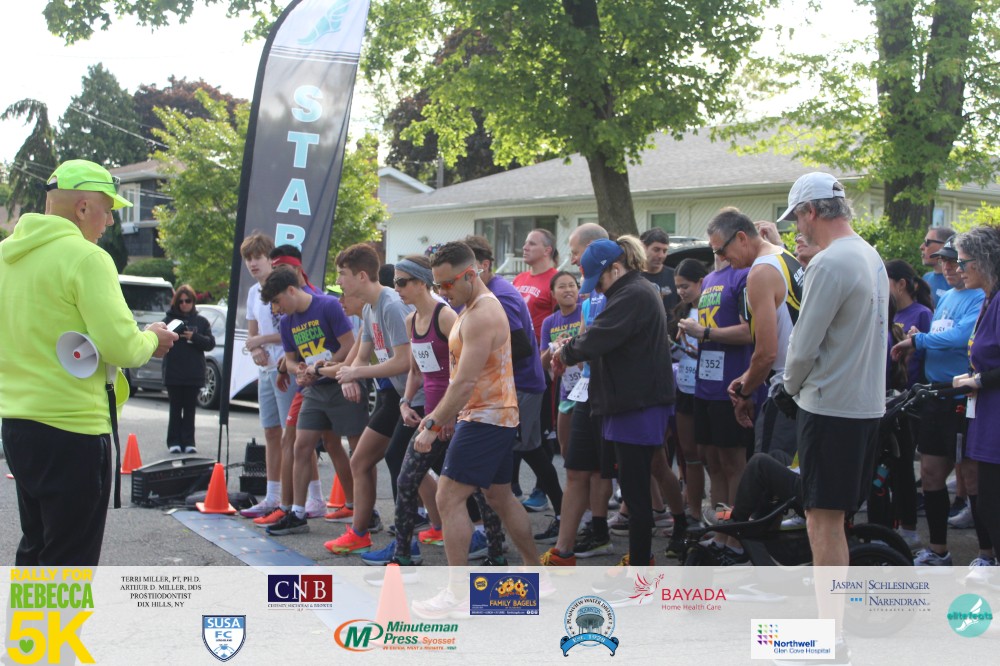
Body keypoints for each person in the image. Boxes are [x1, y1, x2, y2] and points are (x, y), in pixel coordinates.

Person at [0, 159, 177, 565]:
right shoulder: (87, 258)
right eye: (107, 209)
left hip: (17, 425)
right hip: (73, 428)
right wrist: (152, 338)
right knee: (69, 558)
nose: (110, 221)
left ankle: (27, 613)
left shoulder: (6, 257)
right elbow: (122, 347)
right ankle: (54, 614)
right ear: (82, 208)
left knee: (36, 546)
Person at [775, 172, 888, 663]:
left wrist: (787, 387)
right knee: (834, 520)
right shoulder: (869, 254)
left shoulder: (829, 261)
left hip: (829, 405)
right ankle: (832, 627)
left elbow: (803, 346)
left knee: (821, 522)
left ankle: (829, 636)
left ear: (812, 211)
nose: (797, 229)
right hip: (864, 404)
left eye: (797, 218)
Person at [553, 237, 677, 566]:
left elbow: (600, 336)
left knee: (636, 492)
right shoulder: (631, 290)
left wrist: (565, 352)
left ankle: (641, 567)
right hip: (631, 401)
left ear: (616, 268)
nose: (598, 289)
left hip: (637, 403)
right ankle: (641, 560)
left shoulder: (632, 293)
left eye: (600, 281)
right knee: (635, 486)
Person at [417, 241, 537, 567]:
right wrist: (449, 414)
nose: (442, 292)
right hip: (489, 414)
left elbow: (465, 381)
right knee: (499, 496)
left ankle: (456, 589)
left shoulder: (482, 314)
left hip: (487, 416)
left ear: (471, 274)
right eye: (437, 286)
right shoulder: (469, 308)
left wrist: (433, 423)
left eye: (447, 284)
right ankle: (537, 571)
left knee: (447, 497)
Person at [890, 240, 984, 564]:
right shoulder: (946, 298)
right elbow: (937, 337)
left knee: (970, 477)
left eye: (955, 261)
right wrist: (919, 338)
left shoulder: (979, 297)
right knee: (930, 473)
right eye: (944, 261)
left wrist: (919, 339)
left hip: (962, 397)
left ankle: (986, 554)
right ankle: (938, 550)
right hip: (934, 395)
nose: (948, 267)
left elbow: (961, 338)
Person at [328, 244, 424, 554]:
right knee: (362, 460)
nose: (338, 282)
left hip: (422, 396)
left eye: (342, 274)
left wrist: (356, 373)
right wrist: (350, 376)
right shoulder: (370, 308)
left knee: (407, 463)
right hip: (400, 396)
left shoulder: (392, 305)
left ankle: (411, 539)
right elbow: (362, 355)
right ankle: (360, 533)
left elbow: (404, 362)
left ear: (361, 276)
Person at [361, 256, 457, 566]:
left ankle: (489, 543)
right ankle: (405, 549)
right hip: (426, 412)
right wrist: (405, 402)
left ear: (422, 283)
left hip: (451, 413)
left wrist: (450, 414)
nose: (397, 288)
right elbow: (416, 371)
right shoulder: (411, 320)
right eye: (395, 282)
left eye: (402, 282)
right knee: (405, 473)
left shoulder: (446, 316)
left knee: (477, 487)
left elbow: (462, 371)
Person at [260, 266, 367, 536]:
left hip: (342, 383)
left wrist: (320, 368)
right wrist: (299, 370)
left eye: (277, 301)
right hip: (313, 390)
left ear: (291, 290)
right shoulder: (287, 322)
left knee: (357, 450)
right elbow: (290, 359)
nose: (276, 309)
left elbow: (348, 345)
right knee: (301, 445)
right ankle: (297, 513)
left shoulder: (328, 305)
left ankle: (363, 511)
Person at [707, 208, 804, 465]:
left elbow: (767, 353)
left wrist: (744, 393)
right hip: (805, 384)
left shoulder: (760, 272)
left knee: (769, 475)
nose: (722, 258)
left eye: (721, 250)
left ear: (741, 237)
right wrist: (748, 378)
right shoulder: (783, 255)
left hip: (786, 390)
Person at [951, 227, 1000, 581]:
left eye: (963, 261)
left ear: (984, 262)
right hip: (986, 418)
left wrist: (979, 380)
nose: (958, 268)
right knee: (989, 506)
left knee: (995, 507)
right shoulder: (988, 298)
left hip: (996, 423)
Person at [239, 233, 296, 518]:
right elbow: (252, 335)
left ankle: (303, 497)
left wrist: (261, 341)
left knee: (293, 435)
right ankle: (272, 494)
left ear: (270, 259)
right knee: (271, 432)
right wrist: (256, 349)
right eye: (248, 259)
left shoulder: (283, 288)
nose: (253, 263)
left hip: (288, 367)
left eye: (257, 257)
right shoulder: (253, 293)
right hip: (265, 370)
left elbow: (291, 331)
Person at [672, 258, 710, 526]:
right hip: (684, 386)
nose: (681, 292)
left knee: (712, 455)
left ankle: (717, 514)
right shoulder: (680, 312)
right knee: (689, 454)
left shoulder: (712, 310)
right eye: (677, 287)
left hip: (708, 387)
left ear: (701, 282)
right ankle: (694, 512)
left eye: (685, 286)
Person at [161, 285, 216, 454]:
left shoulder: (201, 322)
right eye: (181, 301)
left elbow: (210, 343)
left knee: (190, 409)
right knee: (175, 408)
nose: (184, 304)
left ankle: (189, 442)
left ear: (193, 301)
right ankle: (174, 442)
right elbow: (159, 341)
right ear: (176, 302)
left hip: (194, 372)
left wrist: (194, 336)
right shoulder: (168, 320)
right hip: (173, 372)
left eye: (188, 301)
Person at [540, 271, 584, 460]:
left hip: (589, 389)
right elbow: (543, 364)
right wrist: (553, 348)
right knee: (566, 450)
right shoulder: (549, 322)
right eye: (562, 286)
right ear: (552, 293)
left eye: (572, 285)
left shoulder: (585, 311)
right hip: (566, 390)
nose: (568, 290)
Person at [886, 260, 934, 388]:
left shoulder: (922, 314)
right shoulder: (889, 312)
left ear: (901, 284)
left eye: (885, 282)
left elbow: (927, 353)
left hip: (912, 388)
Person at [513, 228, 559, 340]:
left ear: (547, 250)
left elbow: (562, 320)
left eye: (532, 244)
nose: (525, 247)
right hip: (517, 344)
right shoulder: (519, 278)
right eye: (525, 243)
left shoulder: (558, 280)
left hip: (540, 346)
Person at [640, 227, 680, 317]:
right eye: (656, 250)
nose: (661, 255)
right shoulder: (632, 276)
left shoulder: (675, 277)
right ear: (643, 248)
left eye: (664, 251)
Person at [920, 226, 956, 306]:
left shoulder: (958, 281)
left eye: (927, 242)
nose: (921, 247)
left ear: (945, 245)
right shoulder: (926, 278)